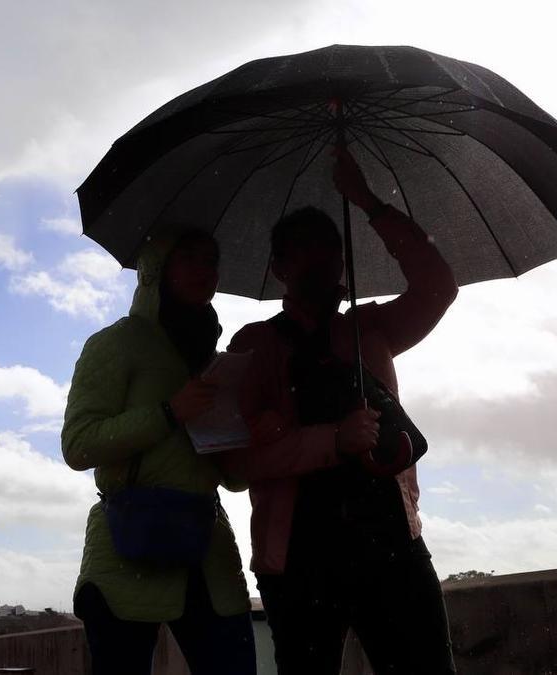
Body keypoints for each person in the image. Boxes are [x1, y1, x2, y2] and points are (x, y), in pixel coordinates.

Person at [218, 145, 459, 674]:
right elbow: (235, 467)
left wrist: (369, 202)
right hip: (298, 562)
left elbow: (439, 287)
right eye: (303, 249)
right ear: (278, 265)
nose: (321, 259)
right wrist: (334, 441)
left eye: (330, 247)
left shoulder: (370, 329)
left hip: (393, 546)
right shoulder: (251, 347)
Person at [62, 230, 256, 675]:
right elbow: (78, 444)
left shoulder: (214, 359)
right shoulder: (114, 343)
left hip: (207, 549)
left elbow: (234, 479)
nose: (205, 271)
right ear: (156, 269)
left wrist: (248, 432)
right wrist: (170, 412)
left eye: (212, 260)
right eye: (189, 258)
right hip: (126, 546)